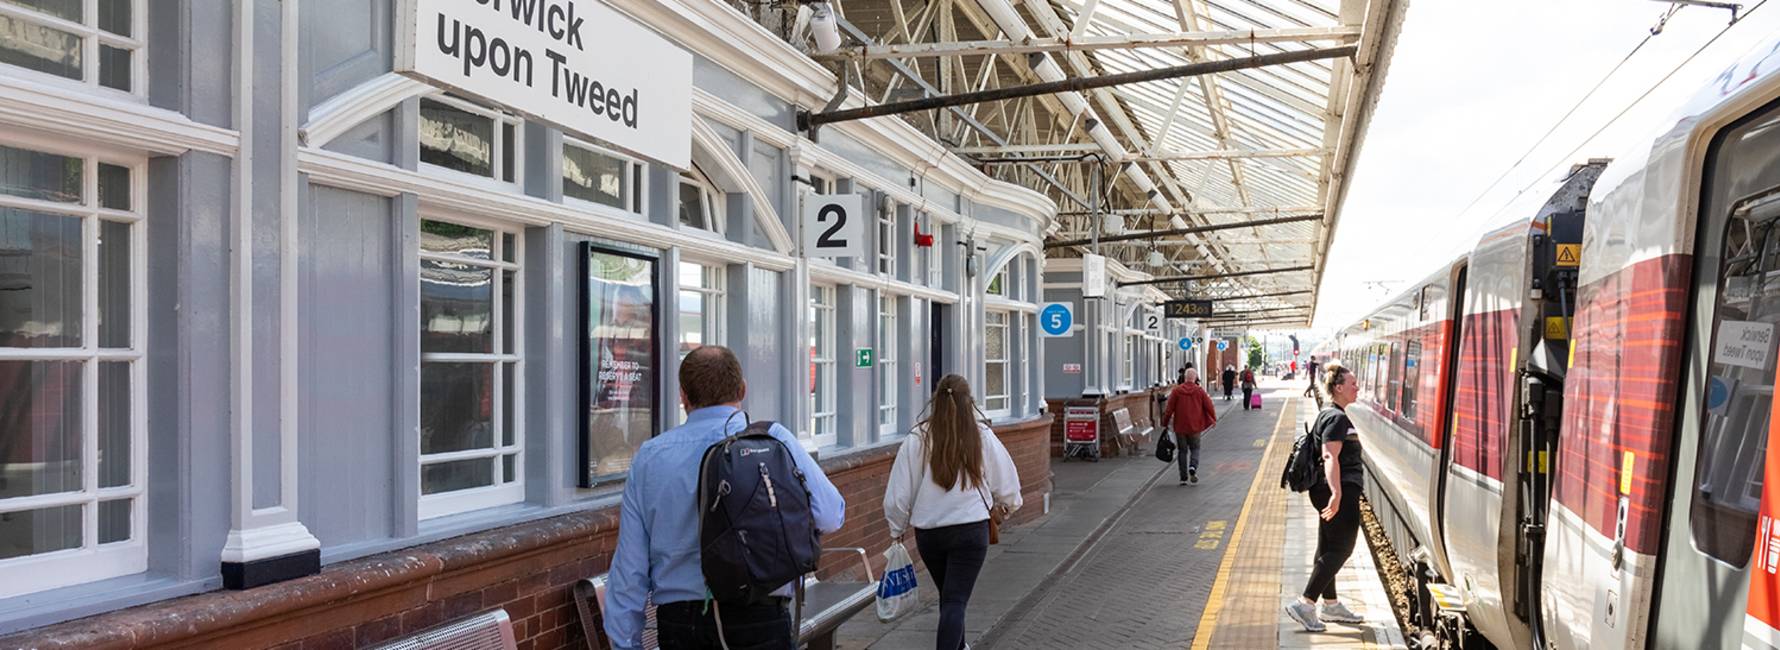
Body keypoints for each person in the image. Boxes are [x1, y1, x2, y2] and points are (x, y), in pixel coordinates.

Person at [605, 346, 847, 650]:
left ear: (683, 396)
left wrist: (626, 642)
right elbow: (830, 515)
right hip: (760, 613)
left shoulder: (651, 456)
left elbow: (630, 566)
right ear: (742, 388)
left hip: (682, 623)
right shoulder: (773, 440)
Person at [884, 374, 1022, 650]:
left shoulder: (917, 437)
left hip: (930, 534)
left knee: (950, 599)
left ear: (936, 401)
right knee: (955, 600)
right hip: (971, 530)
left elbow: (898, 494)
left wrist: (896, 529)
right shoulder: (981, 435)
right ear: (968, 401)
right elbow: (1007, 481)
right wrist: (1010, 505)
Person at [1284, 364, 1367, 632]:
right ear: (1338, 387)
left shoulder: (1329, 414)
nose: (1357, 387)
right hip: (1337, 488)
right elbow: (1330, 456)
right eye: (1352, 383)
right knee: (1342, 548)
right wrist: (1337, 493)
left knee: (1327, 547)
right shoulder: (1337, 419)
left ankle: (1330, 605)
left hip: (1326, 489)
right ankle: (1306, 603)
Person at [1161, 368, 1218, 485]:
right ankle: (1193, 467)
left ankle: (1183, 478)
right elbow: (1209, 406)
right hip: (1195, 426)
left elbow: (1169, 409)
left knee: (1182, 451)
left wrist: (1165, 423)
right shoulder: (1199, 391)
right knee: (1195, 448)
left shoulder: (1176, 391)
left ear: (1185, 377)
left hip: (1180, 426)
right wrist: (1213, 419)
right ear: (1195, 378)